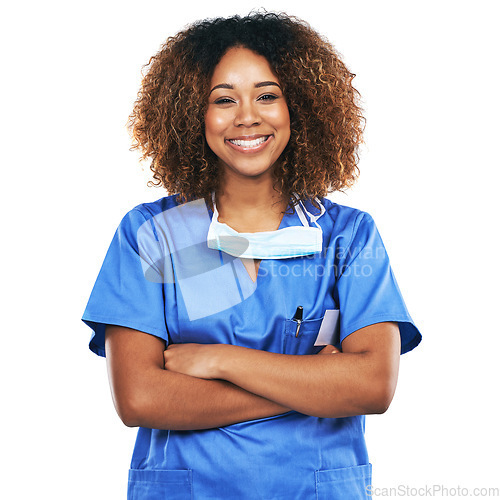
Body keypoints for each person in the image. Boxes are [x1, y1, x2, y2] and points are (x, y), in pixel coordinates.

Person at [82, 12, 422, 499]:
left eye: (268, 95)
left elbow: (372, 387)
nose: (247, 116)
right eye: (223, 100)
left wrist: (219, 360)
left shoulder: (347, 236)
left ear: (300, 108)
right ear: (190, 114)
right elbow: (140, 398)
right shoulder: (158, 233)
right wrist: (313, 386)